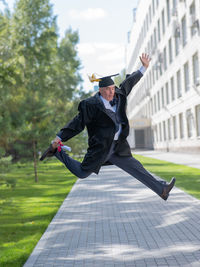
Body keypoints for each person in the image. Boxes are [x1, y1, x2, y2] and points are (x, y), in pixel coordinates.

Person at [40, 53, 175, 201]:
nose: (112, 92)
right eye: (108, 90)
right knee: (81, 173)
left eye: (112, 88)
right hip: (101, 147)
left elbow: (129, 82)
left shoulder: (118, 94)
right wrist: (59, 137)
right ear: (100, 90)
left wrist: (143, 67)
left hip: (117, 146)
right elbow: (77, 123)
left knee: (136, 167)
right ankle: (57, 151)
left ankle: (162, 189)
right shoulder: (90, 105)